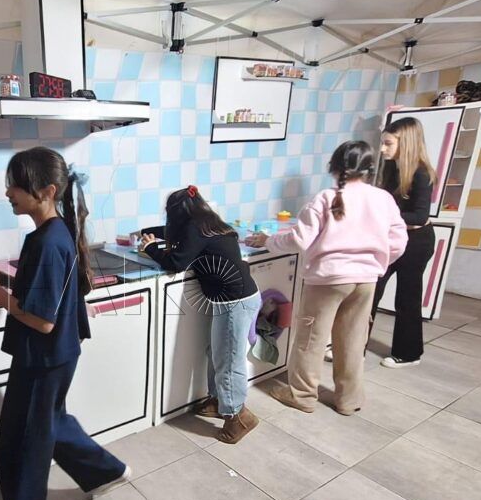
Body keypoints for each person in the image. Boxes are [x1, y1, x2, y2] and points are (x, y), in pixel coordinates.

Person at [0, 146, 130, 500]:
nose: (8, 193)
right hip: (56, 355)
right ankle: (106, 471)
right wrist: (2, 283)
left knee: (22, 441)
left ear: (47, 191)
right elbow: (44, 296)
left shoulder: (47, 242)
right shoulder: (54, 234)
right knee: (48, 423)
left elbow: (42, 320)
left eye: (16, 185)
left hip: (43, 357)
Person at [245, 142, 407, 415]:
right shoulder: (383, 199)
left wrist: (268, 241)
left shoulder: (326, 198)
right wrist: (373, 263)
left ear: (335, 166)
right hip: (366, 280)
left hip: (327, 280)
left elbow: (299, 239)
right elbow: (399, 242)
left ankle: (302, 395)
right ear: (369, 169)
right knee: (353, 340)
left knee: (311, 339)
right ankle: (349, 400)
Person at [138, 185, 262, 443]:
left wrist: (151, 248)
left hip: (235, 302)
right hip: (238, 297)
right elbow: (178, 235)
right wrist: (147, 232)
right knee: (218, 353)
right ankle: (219, 401)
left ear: (176, 213)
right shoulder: (209, 223)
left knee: (228, 361)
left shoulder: (195, 229)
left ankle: (238, 417)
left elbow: (176, 263)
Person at [372, 117, 437, 368]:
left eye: (388, 143)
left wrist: (384, 217)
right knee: (371, 290)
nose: (382, 149)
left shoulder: (422, 173)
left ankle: (408, 354)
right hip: (392, 238)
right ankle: (354, 347)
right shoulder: (391, 169)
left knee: (407, 298)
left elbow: (420, 217)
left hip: (417, 243)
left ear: (406, 142)